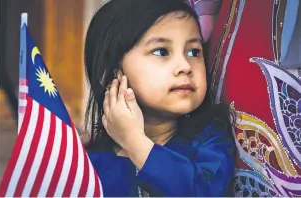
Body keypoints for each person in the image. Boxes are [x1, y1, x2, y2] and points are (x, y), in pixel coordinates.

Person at [84, 0, 236, 196]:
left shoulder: (211, 142)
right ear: (112, 74)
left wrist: (134, 142)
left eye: (194, 52)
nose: (185, 66)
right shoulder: (87, 164)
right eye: (161, 51)